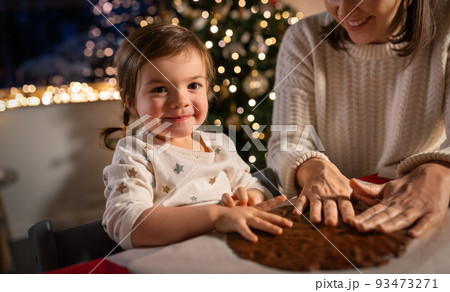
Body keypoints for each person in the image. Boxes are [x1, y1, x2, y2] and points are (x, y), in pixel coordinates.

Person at [267, 0, 450, 238]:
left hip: (420, 203)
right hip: (332, 219)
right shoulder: (304, 38)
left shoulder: (445, 28)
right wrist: (312, 167)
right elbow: (286, 141)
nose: (343, 13)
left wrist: (440, 172)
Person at [101, 23, 292, 249]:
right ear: (130, 100)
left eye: (193, 85)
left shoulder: (219, 144)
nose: (181, 101)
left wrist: (250, 196)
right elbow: (126, 222)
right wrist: (216, 216)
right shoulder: (135, 152)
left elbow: (253, 184)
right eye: (160, 89)